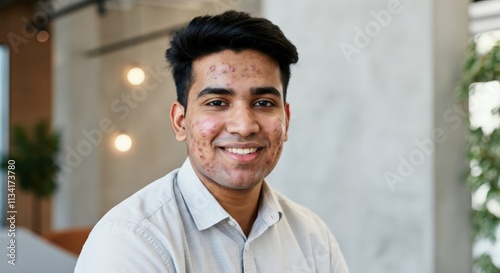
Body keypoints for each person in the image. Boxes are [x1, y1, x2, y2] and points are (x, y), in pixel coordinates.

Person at [75, 10, 349, 273]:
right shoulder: (132, 239)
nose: (243, 126)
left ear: (286, 119)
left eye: (264, 103)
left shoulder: (313, 239)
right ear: (180, 121)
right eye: (217, 102)